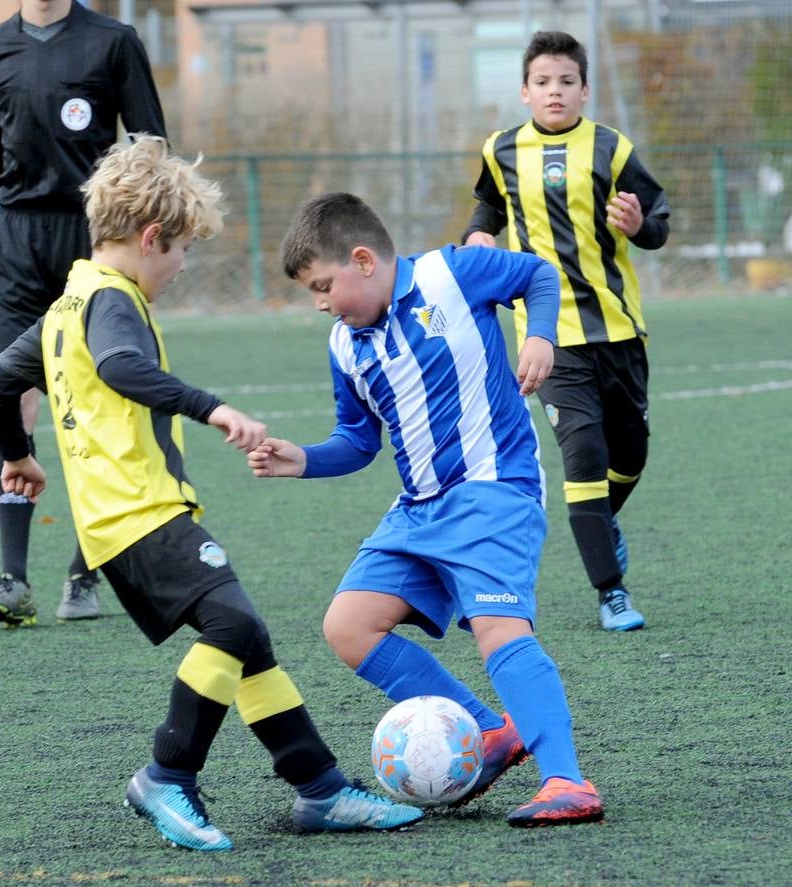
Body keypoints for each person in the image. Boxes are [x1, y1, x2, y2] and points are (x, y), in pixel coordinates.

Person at [0, 138, 422, 851]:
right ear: (151, 237)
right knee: (235, 629)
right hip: (140, 513)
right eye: (182, 249)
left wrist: (17, 454)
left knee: (247, 641)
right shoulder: (113, 301)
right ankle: (167, 773)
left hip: (114, 521)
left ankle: (319, 789)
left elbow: (0, 380)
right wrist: (213, 409)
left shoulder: (68, 303)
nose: (183, 265)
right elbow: (124, 368)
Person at [249, 192, 605, 828]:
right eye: (312, 292)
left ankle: (567, 780)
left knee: (501, 631)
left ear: (363, 260)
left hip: (493, 490)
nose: (322, 303)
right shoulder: (344, 344)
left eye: (324, 285)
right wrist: (300, 459)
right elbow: (358, 441)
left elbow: (539, 275)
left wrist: (541, 337)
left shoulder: (451, 273)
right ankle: (491, 732)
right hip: (417, 507)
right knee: (348, 626)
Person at [0, 0, 167, 625]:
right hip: (15, 245)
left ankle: (85, 572)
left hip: (94, 239)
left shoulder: (113, 40)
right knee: (14, 395)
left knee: (102, 399)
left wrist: (150, 247)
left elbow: (153, 146)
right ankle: (13, 581)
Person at [463, 30, 669, 632]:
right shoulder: (500, 150)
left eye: (567, 81)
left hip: (619, 329)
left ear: (584, 90)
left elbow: (658, 221)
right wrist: (481, 234)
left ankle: (602, 524)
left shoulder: (612, 148)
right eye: (543, 82)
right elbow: (489, 206)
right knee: (584, 454)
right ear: (525, 92)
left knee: (630, 455)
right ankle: (612, 592)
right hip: (547, 336)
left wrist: (638, 225)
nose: (555, 91)